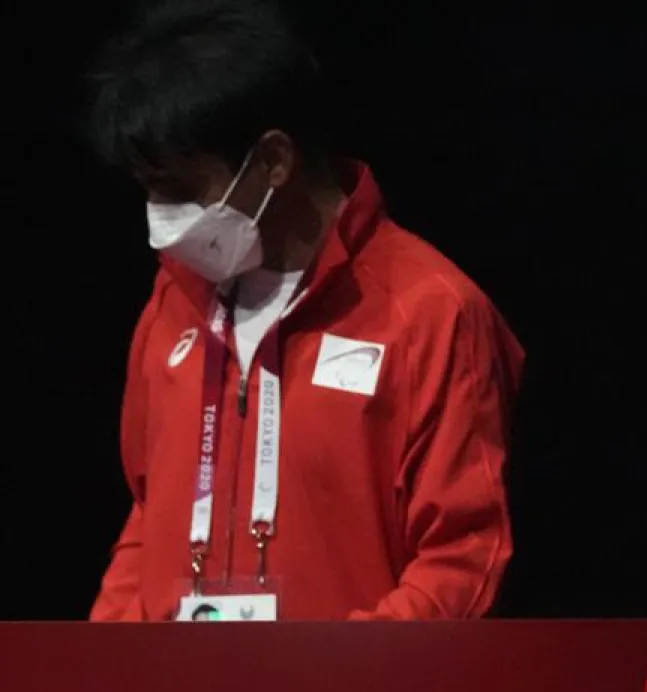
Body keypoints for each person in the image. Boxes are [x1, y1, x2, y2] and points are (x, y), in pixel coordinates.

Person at [84, 0, 523, 621]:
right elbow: (148, 521)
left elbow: (461, 557)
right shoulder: (171, 304)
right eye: (149, 190)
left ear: (272, 162)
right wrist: (100, 679)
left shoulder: (432, 312)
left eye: (181, 189)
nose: (161, 218)